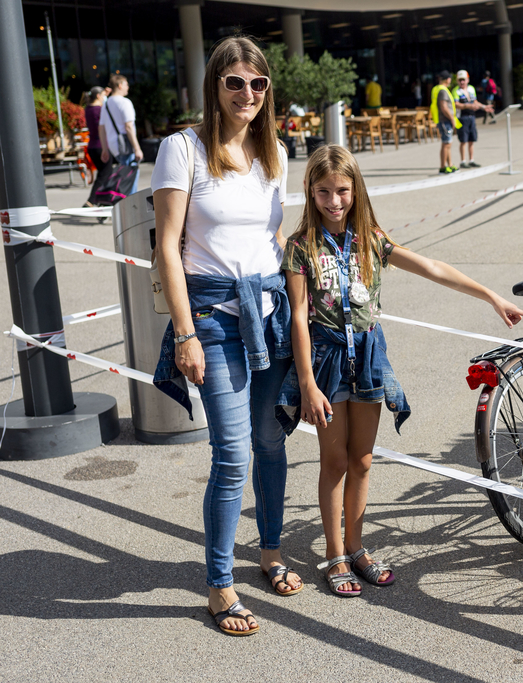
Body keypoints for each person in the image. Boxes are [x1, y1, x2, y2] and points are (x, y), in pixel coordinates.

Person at [278, 144, 523, 597]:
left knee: (362, 460)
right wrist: (306, 383)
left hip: (371, 357)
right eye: (323, 192)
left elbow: (433, 268)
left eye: (342, 191)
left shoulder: (371, 239)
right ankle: (334, 555)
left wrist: (491, 296)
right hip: (328, 361)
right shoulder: (301, 248)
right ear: (310, 192)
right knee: (334, 461)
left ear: (356, 189)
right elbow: (299, 315)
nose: (334, 201)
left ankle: (357, 548)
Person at [151, 36, 300, 638]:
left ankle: (268, 550)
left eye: (258, 84)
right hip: (212, 317)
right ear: (215, 85)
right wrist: (184, 332)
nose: (247, 93)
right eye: (235, 81)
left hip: (270, 311)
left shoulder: (276, 153)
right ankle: (218, 583)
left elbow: (274, 236)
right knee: (233, 454)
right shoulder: (181, 149)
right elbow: (166, 246)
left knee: (272, 442)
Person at [99, 74, 143, 195]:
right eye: (126, 84)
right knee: (130, 176)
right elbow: (128, 127)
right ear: (120, 85)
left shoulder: (106, 104)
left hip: (114, 145)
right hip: (125, 145)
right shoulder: (125, 102)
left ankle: (125, 202)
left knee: (124, 175)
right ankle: (130, 205)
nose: (128, 87)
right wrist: (137, 148)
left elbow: (101, 128)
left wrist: (104, 148)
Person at [454, 69, 493, 168]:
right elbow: (456, 104)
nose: (462, 82)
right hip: (462, 117)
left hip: (472, 117)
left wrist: (484, 107)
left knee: (472, 139)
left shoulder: (471, 89)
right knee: (463, 140)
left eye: (464, 80)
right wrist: (468, 106)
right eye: (460, 80)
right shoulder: (456, 91)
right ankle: (463, 161)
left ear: (467, 80)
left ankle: (471, 160)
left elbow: (475, 102)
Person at [430, 70, 460, 174]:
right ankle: (443, 167)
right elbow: (443, 107)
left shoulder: (437, 88)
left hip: (442, 119)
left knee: (448, 143)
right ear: (447, 79)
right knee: (446, 143)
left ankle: (450, 164)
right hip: (444, 120)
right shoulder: (442, 90)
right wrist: (451, 118)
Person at [82, 86, 107, 205]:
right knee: (105, 174)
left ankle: (95, 200)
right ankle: (92, 200)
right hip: (100, 145)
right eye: (103, 95)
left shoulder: (88, 109)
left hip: (91, 145)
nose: (104, 98)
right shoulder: (99, 110)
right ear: (98, 96)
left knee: (103, 173)